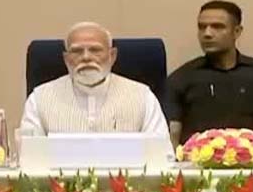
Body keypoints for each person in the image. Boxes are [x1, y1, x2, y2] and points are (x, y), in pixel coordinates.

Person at [165, 1, 253, 144]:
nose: (207, 34)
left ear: (237, 31)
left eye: (217, 27)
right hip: (197, 157)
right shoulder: (181, 78)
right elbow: (170, 139)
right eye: (202, 27)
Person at [20, 22, 169, 137]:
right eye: (77, 51)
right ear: (66, 59)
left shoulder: (142, 96)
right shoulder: (39, 99)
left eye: (95, 50)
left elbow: (161, 155)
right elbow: (29, 157)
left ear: (112, 56)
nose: (86, 57)